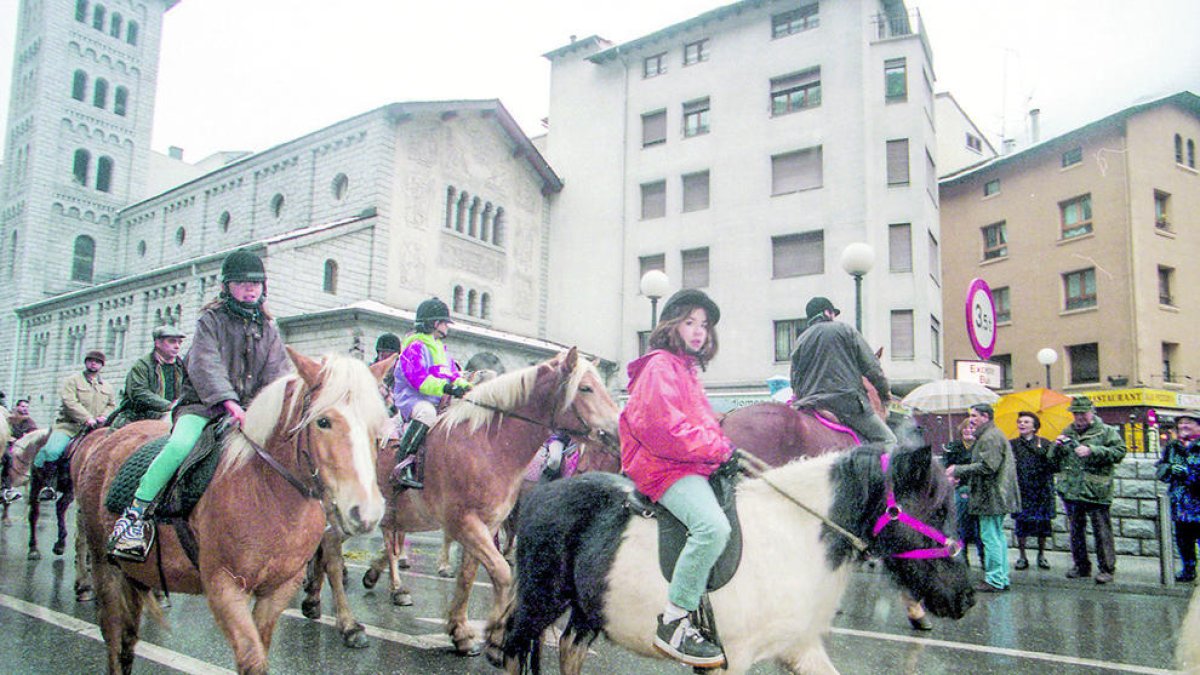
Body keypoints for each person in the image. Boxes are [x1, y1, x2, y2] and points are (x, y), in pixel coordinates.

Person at [108, 250, 291, 561]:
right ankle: (133, 517)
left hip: (250, 410)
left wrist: (281, 404)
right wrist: (229, 402)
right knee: (179, 446)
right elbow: (206, 364)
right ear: (226, 287)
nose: (250, 289)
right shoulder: (211, 320)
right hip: (202, 407)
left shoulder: (270, 328)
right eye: (241, 283)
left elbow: (278, 372)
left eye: (256, 283)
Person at [621, 288, 732, 669]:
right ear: (672, 325)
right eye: (690, 322)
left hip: (688, 463)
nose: (699, 331)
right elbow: (664, 428)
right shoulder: (660, 366)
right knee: (712, 527)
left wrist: (724, 446)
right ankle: (674, 619)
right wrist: (717, 450)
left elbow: (700, 425)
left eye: (704, 325)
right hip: (663, 466)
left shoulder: (686, 369)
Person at [389, 298, 472, 489]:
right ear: (435, 323)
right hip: (413, 400)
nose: (447, 327)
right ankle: (403, 463)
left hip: (436, 399)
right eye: (445, 323)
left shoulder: (441, 350)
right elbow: (420, 381)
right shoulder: (414, 347)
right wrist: (447, 388)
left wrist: (466, 387)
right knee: (427, 413)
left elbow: (452, 374)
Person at [789, 296, 895, 445]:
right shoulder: (844, 330)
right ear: (827, 312)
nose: (834, 317)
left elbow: (795, 381)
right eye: (833, 313)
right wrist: (884, 392)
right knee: (888, 440)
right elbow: (872, 368)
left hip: (812, 405)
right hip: (846, 403)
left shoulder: (800, 341)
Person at [1051, 396, 1126, 584]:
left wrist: (1092, 450)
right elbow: (1052, 460)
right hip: (1073, 490)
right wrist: (1056, 446)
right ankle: (1081, 566)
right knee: (1076, 531)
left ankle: (1107, 569)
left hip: (1097, 490)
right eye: (1075, 413)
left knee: (1102, 531)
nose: (1079, 417)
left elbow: (1119, 452)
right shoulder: (1067, 432)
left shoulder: (1107, 432)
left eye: (1082, 413)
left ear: (1091, 412)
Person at [946, 404, 1020, 593]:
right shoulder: (992, 435)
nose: (971, 419)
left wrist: (958, 469)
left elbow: (988, 467)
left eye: (974, 416)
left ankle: (995, 579)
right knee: (996, 536)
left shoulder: (990, 437)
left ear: (985, 417)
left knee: (990, 537)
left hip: (991, 495)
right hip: (995, 494)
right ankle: (1001, 577)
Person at [33, 350, 116, 501]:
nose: (93, 363)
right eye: (90, 360)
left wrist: (104, 416)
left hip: (95, 429)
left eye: (97, 362)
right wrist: (87, 418)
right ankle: (49, 485)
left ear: (101, 366)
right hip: (69, 427)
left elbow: (111, 404)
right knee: (53, 451)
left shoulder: (107, 386)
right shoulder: (72, 381)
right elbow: (69, 402)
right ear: (85, 362)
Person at [109, 326, 188, 430]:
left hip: (171, 414)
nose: (177, 346)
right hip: (138, 417)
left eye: (179, 342)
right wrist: (168, 405)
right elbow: (139, 392)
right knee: (117, 442)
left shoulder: (182, 366)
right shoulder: (142, 365)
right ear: (158, 343)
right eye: (172, 342)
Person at [1157, 410, 1200, 583]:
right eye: (1181, 422)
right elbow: (1161, 469)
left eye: (1188, 422)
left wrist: (1188, 474)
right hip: (1180, 503)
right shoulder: (1173, 446)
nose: (1183, 426)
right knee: (1183, 540)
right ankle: (1188, 570)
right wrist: (1169, 470)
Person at [1011, 411, 1057, 570]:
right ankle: (1022, 556)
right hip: (1022, 490)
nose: (1022, 424)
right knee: (1021, 524)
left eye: (1026, 422)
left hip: (1041, 490)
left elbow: (1054, 466)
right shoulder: (1013, 444)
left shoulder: (1044, 443)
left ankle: (1041, 555)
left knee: (1042, 524)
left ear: (1034, 426)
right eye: (1020, 422)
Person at [942, 419, 985, 568]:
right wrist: (950, 477)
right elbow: (945, 467)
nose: (968, 430)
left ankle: (983, 557)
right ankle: (962, 557)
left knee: (979, 528)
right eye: (965, 428)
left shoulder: (981, 447)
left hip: (978, 490)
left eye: (971, 428)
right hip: (959, 490)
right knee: (961, 526)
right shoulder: (952, 447)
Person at [2, 398, 39, 504]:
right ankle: (6, 486)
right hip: (7, 444)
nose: (24, 409)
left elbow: (33, 433)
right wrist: (9, 438)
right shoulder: (9, 418)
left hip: (21, 446)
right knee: (8, 457)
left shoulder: (29, 421)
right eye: (22, 407)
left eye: (26, 407)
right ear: (17, 407)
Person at [374, 332, 402, 413]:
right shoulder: (370, 372)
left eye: (389, 357)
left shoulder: (402, 375)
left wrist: (387, 395)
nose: (385, 361)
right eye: (382, 356)